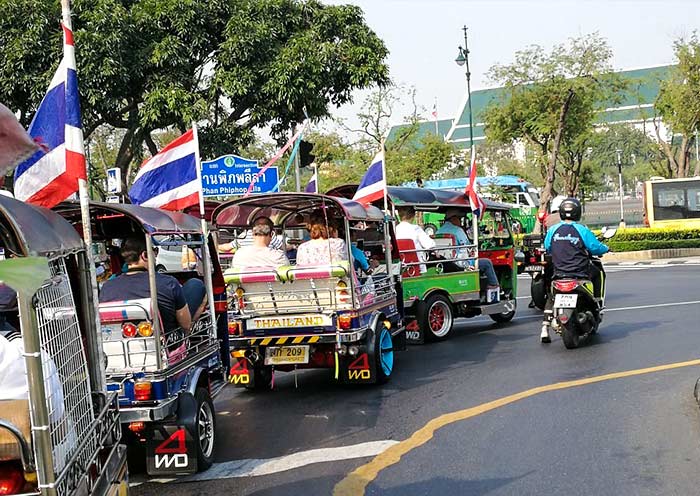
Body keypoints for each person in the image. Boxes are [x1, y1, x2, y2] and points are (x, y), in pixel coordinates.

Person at [100, 237, 207, 333]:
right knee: (196, 284)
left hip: (122, 344)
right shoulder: (168, 283)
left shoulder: (107, 287)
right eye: (155, 251)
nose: (156, 256)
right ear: (145, 255)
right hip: (167, 345)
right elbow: (185, 325)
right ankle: (189, 336)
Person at [540, 197, 610, 343]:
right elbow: (595, 248)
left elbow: (547, 247)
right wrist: (607, 248)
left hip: (559, 274)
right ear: (578, 212)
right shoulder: (581, 230)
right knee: (598, 274)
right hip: (580, 273)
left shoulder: (553, 230)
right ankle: (598, 302)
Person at [437, 208, 500, 291]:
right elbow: (468, 249)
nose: (460, 222)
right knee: (487, 263)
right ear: (454, 218)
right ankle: (494, 286)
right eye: (460, 219)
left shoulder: (438, 232)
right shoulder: (458, 231)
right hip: (460, 264)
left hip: (444, 265)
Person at [395, 206, 436, 274]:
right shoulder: (415, 229)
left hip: (401, 266)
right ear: (413, 216)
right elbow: (430, 245)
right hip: (417, 266)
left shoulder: (395, 229)